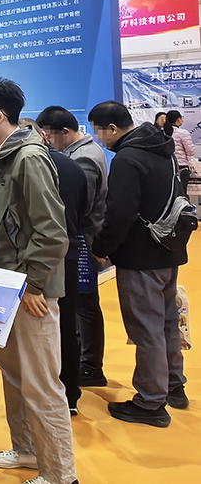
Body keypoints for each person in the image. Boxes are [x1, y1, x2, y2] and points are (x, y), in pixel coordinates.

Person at [0, 78, 77, 484]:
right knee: (14, 377)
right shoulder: (2, 157)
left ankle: (59, 474)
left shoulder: (29, 158)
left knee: (41, 385)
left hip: (26, 291)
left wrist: (35, 285)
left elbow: (52, 232)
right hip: (3, 286)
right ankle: (27, 449)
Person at [89, 102, 189, 427]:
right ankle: (174, 386)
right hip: (168, 247)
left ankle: (150, 402)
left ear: (112, 128)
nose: (99, 138)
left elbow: (119, 213)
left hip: (139, 256)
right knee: (167, 322)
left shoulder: (127, 158)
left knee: (146, 328)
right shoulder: (163, 148)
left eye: (98, 131)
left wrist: (102, 248)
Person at [36, 106, 109, 387]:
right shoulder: (80, 153)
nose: (47, 142)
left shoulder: (83, 158)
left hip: (82, 240)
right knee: (80, 305)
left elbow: (80, 205)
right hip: (79, 239)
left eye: (49, 137)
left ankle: (90, 366)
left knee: (83, 305)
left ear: (65, 132)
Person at [22, 118, 89, 415]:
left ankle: (45, 400)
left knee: (38, 332)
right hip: (71, 254)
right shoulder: (73, 167)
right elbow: (86, 209)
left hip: (37, 261)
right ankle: (70, 394)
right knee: (67, 325)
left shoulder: (27, 166)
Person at [163, 110, 194, 196]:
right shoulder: (183, 133)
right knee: (181, 194)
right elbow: (190, 151)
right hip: (181, 167)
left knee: (168, 194)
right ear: (178, 119)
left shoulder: (162, 132)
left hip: (166, 167)